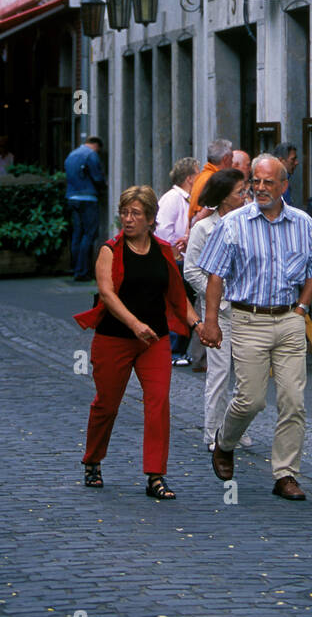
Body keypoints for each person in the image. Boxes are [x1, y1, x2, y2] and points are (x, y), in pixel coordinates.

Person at [199, 154, 312, 501]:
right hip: (248, 319)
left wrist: (301, 309)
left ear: (285, 185)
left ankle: (286, 474)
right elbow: (215, 275)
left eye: (269, 182)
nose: (261, 188)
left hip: (288, 319)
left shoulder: (303, 224)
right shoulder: (233, 223)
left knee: (293, 401)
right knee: (251, 400)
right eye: (256, 181)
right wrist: (210, 321)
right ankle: (225, 442)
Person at [78, 186, 205, 499]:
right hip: (114, 338)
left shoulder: (163, 251)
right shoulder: (110, 249)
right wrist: (135, 325)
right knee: (107, 404)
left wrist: (198, 325)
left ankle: (155, 475)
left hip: (155, 340)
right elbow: (106, 294)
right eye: (125, 212)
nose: (128, 219)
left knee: (158, 403)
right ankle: (92, 460)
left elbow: (177, 296)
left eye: (136, 213)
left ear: (151, 219)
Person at [183, 168, 253, 448]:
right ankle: (213, 431)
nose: (246, 195)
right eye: (240, 192)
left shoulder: (250, 223)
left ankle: (236, 429)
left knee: (247, 375)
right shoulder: (203, 228)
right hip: (219, 312)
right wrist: (217, 297)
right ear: (225, 198)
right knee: (219, 373)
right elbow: (191, 271)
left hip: (247, 308)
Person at [156, 157, 200, 363]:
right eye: (198, 174)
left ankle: (179, 349)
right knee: (178, 305)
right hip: (176, 260)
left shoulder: (188, 199)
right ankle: (173, 350)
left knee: (186, 302)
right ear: (190, 178)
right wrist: (176, 251)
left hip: (183, 259)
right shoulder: (173, 199)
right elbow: (163, 231)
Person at [64, 135, 107, 281]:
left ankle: (75, 267)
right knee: (89, 234)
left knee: (77, 233)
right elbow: (97, 177)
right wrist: (103, 187)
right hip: (87, 197)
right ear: (96, 145)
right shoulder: (91, 155)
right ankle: (83, 271)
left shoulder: (71, 155)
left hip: (72, 197)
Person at [188, 138, 233, 221]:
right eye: (232, 158)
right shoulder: (215, 180)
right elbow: (202, 215)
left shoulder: (202, 176)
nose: (233, 162)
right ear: (225, 159)